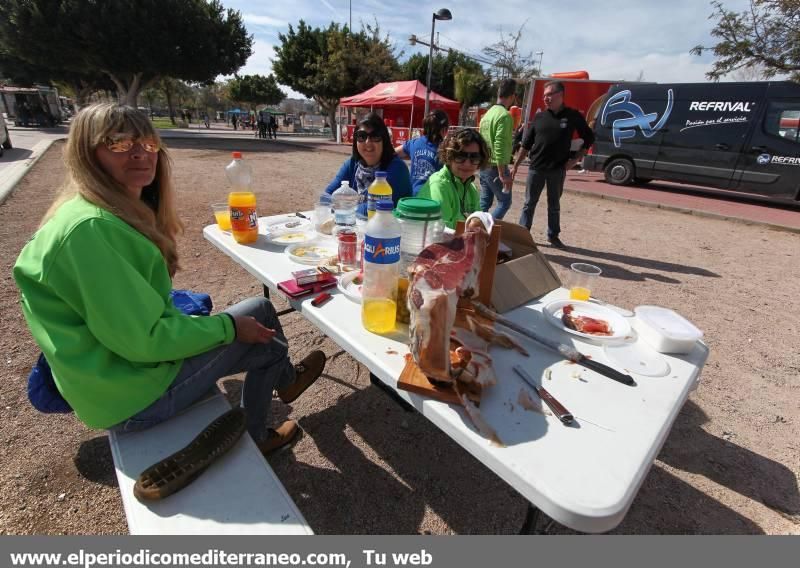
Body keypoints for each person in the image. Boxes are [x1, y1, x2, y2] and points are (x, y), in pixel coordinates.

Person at [12, 103, 326, 456]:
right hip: (132, 396)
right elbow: (144, 343)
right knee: (267, 344)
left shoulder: (95, 212)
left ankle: (287, 383)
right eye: (117, 142)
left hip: (120, 373)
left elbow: (134, 323)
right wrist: (228, 328)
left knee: (262, 308)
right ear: (87, 153)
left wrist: (219, 326)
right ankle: (257, 435)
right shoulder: (91, 230)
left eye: (147, 142)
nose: (139, 153)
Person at [511, 80, 595, 249]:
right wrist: (516, 165)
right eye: (544, 96)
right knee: (529, 203)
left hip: (557, 170)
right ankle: (523, 233)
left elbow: (589, 138)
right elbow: (526, 144)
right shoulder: (540, 117)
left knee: (554, 205)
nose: (545, 99)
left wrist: (575, 160)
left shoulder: (572, 116)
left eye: (549, 95)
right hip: (536, 168)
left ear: (560, 95)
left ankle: (553, 235)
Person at [324, 113, 412, 218]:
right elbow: (326, 197)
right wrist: (351, 206)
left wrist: (344, 204)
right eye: (361, 136)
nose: (368, 142)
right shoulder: (352, 163)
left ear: (384, 140)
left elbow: (375, 211)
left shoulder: (397, 169)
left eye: (375, 136)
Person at [417, 128, 490, 230]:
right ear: (449, 156)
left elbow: (479, 223)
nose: (467, 163)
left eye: (474, 157)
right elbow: (443, 231)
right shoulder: (439, 185)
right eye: (460, 156)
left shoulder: (471, 188)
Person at [479, 78, 517, 220]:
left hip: (484, 164)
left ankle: (471, 228)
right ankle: (486, 230)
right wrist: (502, 173)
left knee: (484, 202)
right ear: (512, 96)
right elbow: (499, 144)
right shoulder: (505, 116)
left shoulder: (487, 115)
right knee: (504, 201)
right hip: (496, 166)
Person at [394, 110, 449, 195]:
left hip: (413, 196)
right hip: (434, 197)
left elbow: (393, 153)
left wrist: (413, 155)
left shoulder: (414, 143)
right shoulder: (445, 149)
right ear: (444, 130)